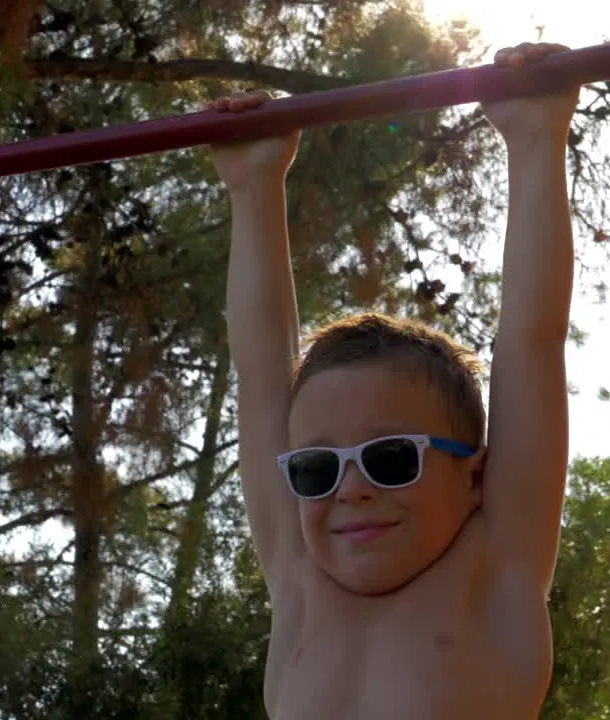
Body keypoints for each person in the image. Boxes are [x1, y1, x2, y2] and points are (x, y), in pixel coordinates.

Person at [207, 41, 577, 720]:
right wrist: (253, 184)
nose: (350, 490)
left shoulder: (495, 570)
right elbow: (260, 376)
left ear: (474, 475)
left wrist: (535, 138)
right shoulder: (298, 581)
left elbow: (531, 342)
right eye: (316, 469)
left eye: (390, 459)